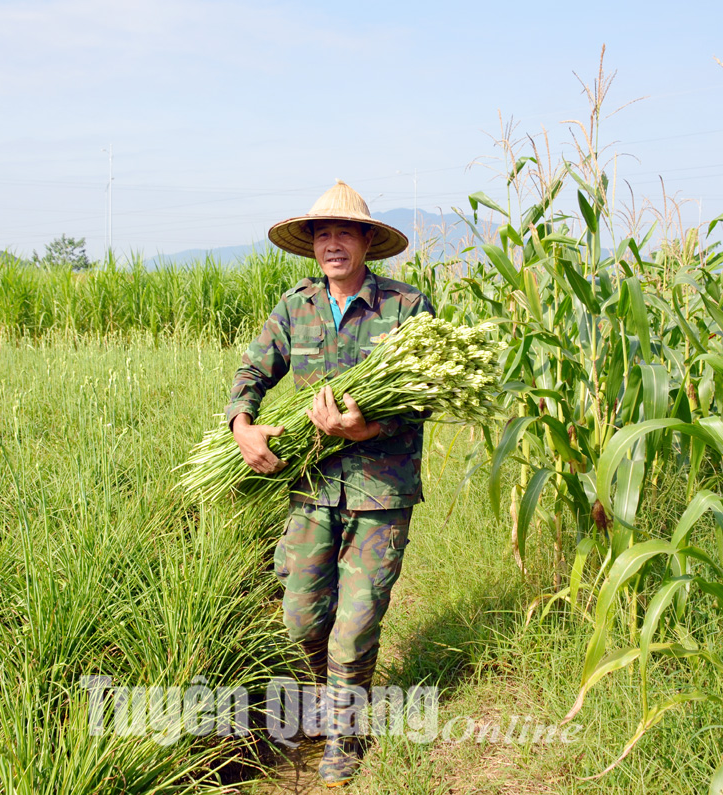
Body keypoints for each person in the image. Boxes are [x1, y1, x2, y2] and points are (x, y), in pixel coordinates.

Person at [225, 180, 433, 786]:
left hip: (380, 489)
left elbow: (425, 395)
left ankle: (345, 732)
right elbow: (252, 369)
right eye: (322, 233)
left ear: (368, 240)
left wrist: (367, 427)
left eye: (345, 231)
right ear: (311, 245)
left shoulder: (407, 307)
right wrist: (243, 425)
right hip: (312, 485)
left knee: (356, 623)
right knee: (300, 615)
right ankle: (325, 698)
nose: (332, 243)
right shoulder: (296, 307)